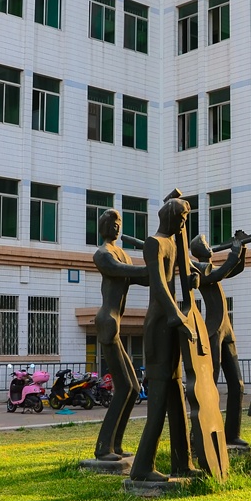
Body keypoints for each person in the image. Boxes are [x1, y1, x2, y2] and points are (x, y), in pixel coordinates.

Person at [130, 197, 201, 482]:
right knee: (159, 400)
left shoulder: (174, 244)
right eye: (181, 219)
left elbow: (182, 275)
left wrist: (193, 279)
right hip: (160, 323)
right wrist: (176, 316)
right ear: (169, 216)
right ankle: (142, 466)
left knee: (176, 397)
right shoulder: (154, 243)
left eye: (186, 220)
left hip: (172, 322)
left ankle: (182, 462)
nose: (183, 225)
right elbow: (159, 284)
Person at [92, 209, 148, 461]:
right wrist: (153, 264)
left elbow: (145, 278)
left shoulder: (122, 253)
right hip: (107, 321)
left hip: (116, 324)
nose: (116, 227)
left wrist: (162, 261)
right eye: (111, 223)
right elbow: (130, 272)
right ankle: (104, 448)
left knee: (133, 388)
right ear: (103, 226)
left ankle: (115, 445)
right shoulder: (103, 254)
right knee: (124, 386)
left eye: (119, 223)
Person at [190, 232, 248, 448]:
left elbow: (236, 269)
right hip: (213, 330)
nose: (210, 247)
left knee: (238, 384)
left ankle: (232, 434)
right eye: (206, 244)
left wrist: (242, 248)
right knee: (210, 384)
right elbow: (221, 273)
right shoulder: (199, 268)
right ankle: (199, 433)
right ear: (200, 250)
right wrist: (234, 252)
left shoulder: (211, 267)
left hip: (227, 330)